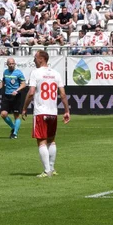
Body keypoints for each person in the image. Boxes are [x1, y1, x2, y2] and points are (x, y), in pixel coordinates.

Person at [24, 49, 70, 178]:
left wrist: (24, 108)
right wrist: (66, 111)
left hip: (40, 112)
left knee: (41, 141)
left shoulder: (35, 73)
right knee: (52, 140)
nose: (34, 60)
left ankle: (46, 170)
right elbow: (63, 94)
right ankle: (52, 168)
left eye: (35, 57)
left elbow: (31, 92)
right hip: (53, 112)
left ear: (41, 59)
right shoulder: (56, 74)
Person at [0, 57, 27, 139]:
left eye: (12, 63)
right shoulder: (5, 72)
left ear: (15, 64)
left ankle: (14, 134)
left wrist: (17, 90)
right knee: (3, 114)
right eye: (9, 64)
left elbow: (23, 84)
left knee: (16, 115)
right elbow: (3, 82)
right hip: (6, 96)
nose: (11, 65)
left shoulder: (19, 73)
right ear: (7, 64)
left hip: (16, 96)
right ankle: (14, 127)